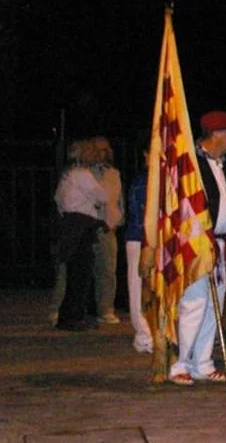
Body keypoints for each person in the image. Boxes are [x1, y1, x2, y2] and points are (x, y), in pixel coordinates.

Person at [168, 110, 226, 386]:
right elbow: (180, 208)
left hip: (222, 246)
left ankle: (203, 362)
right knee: (195, 303)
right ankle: (180, 363)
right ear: (217, 134)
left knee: (215, 306)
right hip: (197, 245)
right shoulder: (191, 167)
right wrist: (198, 242)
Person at [53, 139, 107, 331]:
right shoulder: (83, 175)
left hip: (70, 224)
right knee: (81, 274)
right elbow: (103, 196)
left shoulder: (67, 175)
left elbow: (58, 200)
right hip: (82, 226)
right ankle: (74, 317)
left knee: (74, 273)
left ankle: (68, 315)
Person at [90, 136, 124, 325]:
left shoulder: (113, 173)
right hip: (88, 226)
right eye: (98, 149)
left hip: (108, 228)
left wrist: (117, 221)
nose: (102, 153)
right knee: (86, 269)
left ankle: (106, 309)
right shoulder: (85, 172)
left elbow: (118, 200)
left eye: (105, 149)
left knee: (108, 271)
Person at [125, 141, 154, 353]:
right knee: (138, 287)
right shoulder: (142, 181)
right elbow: (139, 214)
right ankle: (143, 336)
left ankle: (151, 333)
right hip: (139, 239)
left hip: (154, 240)